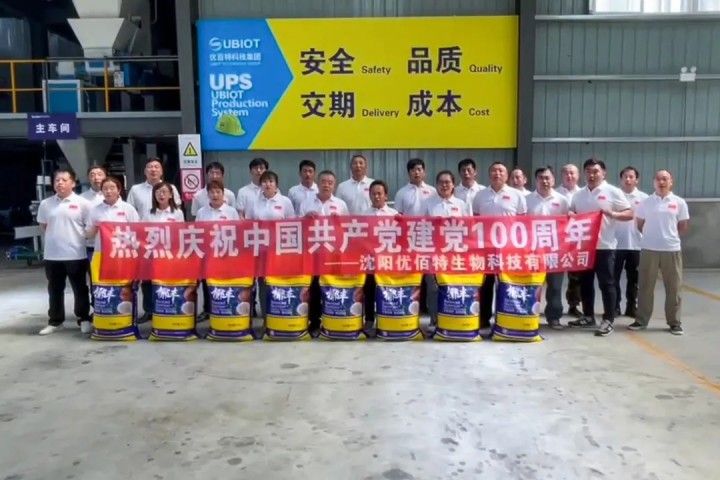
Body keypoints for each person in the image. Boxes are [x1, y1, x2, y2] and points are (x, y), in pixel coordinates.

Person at [568, 157, 633, 337]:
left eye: (596, 171)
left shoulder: (613, 192)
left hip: (605, 246)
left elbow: (629, 214)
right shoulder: (579, 195)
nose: (592, 175)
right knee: (585, 283)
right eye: (588, 171)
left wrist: (613, 214)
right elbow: (572, 211)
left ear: (603, 173)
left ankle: (608, 319)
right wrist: (571, 214)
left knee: (607, 283)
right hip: (584, 247)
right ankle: (588, 316)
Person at [630, 170, 689, 335]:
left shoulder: (679, 202)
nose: (661, 182)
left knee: (674, 287)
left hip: (671, 249)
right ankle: (641, 320)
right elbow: (640, 224)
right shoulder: (646, 202)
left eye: (665, 179)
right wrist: (652, 237)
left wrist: (669, 237)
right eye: (658, 179)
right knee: (645, 286)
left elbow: (683, 226)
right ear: (653, 182)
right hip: (649, 249)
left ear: (671, 182)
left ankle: (674, 322)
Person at [36, 169, 92, 335]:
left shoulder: (82, 203)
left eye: (64, 180)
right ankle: (55, 321)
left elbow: (89, 227)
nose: (60, 183)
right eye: (57, 180)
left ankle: (83, 318)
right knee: (54, 289)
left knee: (80, 288)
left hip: (76, 254)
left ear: (73, 183)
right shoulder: (45, 204)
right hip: (52, 255)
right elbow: (44, 226)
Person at [472, 162, 527, 329]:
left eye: (501, 171)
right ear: (489, 174)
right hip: (486, 248)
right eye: (494, 171)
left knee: (507, 283)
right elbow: (475, 221)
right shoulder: (480, 195)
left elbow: (523, 222)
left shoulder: (517, 195)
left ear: (507, 175)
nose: (497, 174)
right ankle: (484, 318)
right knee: (485, 284)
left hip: (509, 248)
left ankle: (506, 317)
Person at [299, 171, 349, 332]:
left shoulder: (341, 204)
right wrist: (306, 218)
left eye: (330, 182)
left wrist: (339, 221)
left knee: (331, 286)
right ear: (318, 183)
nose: (326, 185)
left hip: (333, 252)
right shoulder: (306, 203)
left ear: (334, 185)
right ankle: (314, 320)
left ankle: (332, 317)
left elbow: (348, 228)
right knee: (313, 287)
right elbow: (296, 225)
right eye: (323, 182)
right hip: (312, 252)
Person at [422, 171, 473, 327]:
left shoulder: (461, 204)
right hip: (434, 253)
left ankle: (452, 318)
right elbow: (422, 227)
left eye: (447, 182)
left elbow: (470, 228)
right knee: (433, 288)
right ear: (436, 185)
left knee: (453, 286)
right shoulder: (428, 204)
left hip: (455, 254)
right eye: (441, 182)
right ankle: (434, 320)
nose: (444, 185)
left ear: (453, 185)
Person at [526, 167, 569, 329]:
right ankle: (528, 315)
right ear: (536, 180)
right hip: (532, 251)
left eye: (547, 178)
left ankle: (554, 317)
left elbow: (568, 224)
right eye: (541, 178)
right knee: (531, 284)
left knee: (555, 286)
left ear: (553, 180)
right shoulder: (527, 199)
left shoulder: (562, 200)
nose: (544, 181)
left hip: (555, 251)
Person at [362, 180, 400, 330]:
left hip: (389, 259)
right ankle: (369, 319)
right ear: (369, 195)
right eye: (373, 194)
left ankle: (389, 317)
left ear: (386, 196)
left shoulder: (394, 215)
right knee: (369, 289)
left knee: (388, 290)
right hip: (370, 259)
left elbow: (402, 238)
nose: (377, 196)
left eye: (379, 193)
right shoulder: (363, 215)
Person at [614, 166, 648, 317]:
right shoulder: (614, 196)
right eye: (625, 177)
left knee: (634, 279)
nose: (628, 179)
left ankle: (631, 306)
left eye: (631, 177)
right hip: (615, 244)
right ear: (621, 179)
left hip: (636, 245)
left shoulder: (644, 198)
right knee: (613, 278)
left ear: (636, 180)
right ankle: (614, 306)